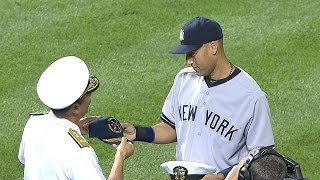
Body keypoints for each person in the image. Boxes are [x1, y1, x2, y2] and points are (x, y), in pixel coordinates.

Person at [122, 16, 274, 179]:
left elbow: (263, 159)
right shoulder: (184, 79)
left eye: (193, 53)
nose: (188, 61)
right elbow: (173, 128)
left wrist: (221, 176)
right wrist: (137, 132)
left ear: (213, 47)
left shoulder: (251, 97)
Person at [18, 56, 134, 180]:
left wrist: (76, 127)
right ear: (75, 108)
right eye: (88, 94)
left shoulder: (34, 123)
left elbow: (25, 159)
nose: (90, 99)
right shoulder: (80, 153)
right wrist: (120, 155)